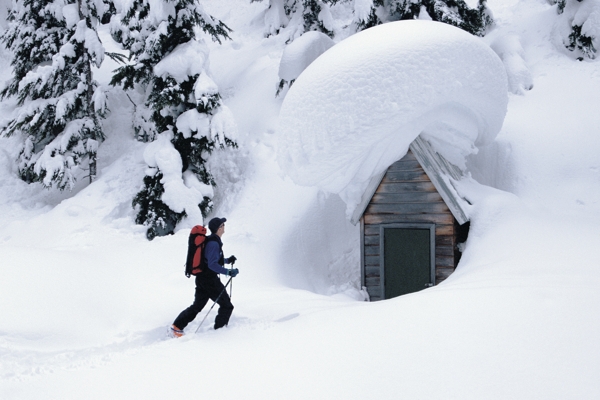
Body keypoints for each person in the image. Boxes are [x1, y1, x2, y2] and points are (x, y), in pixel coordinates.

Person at [170, 217, 239, 338]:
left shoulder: (212, 241)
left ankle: (177, 326)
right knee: (227, 306)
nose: (224, 227)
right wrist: (228, 272)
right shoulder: (213, 243)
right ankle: (220, 332)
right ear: (219, 228)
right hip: (209, 280)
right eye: (223, 225)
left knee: (197, 306)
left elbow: (211, 260)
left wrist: (227, 260)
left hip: (202, 279)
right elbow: (212, 264)